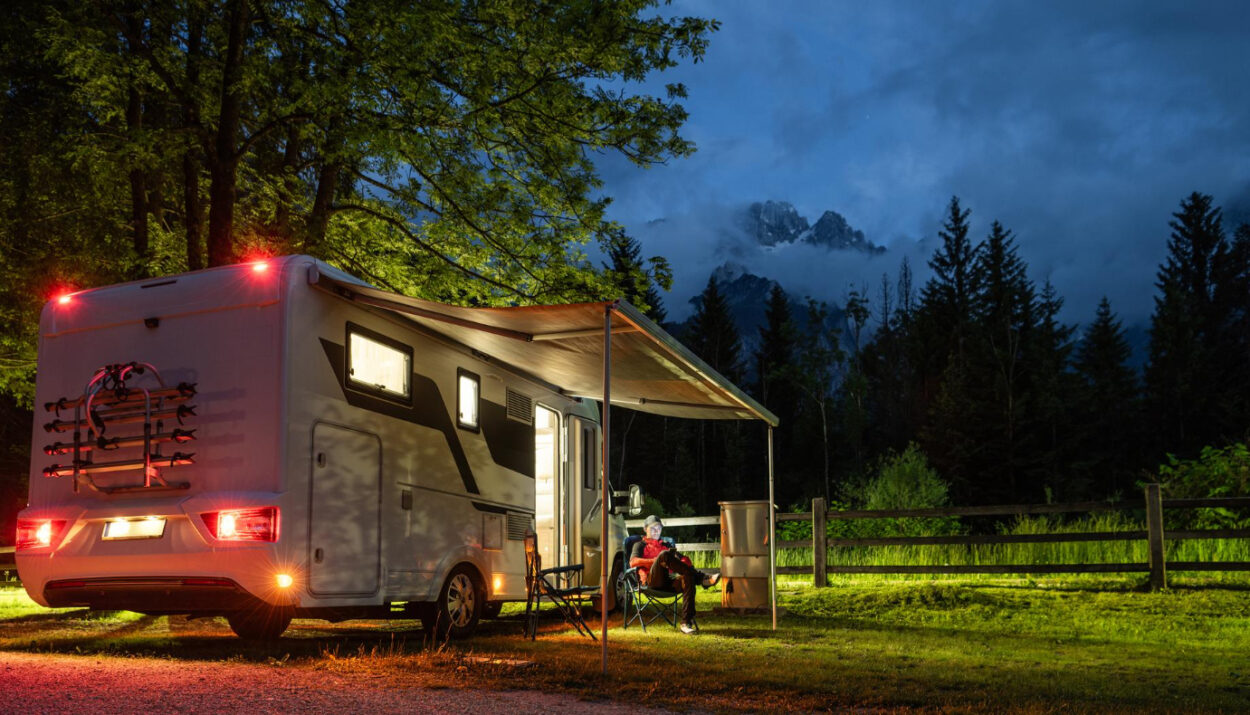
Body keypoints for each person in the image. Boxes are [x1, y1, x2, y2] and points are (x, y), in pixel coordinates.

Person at [629, 514, 720, 634]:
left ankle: (686, 623)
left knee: (687, 576)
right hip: (652, 581)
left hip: (669, 581)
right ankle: (702, 579)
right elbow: (633, 562)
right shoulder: (640, 545)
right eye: (653, 528)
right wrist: (656, 561)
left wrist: (683, 562)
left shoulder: (666, 545)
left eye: (659, 528)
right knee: (664, 555)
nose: (657, 531)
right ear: (645, 529)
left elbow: (684, 560)